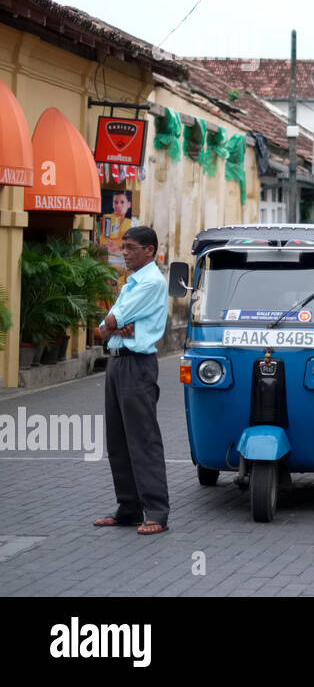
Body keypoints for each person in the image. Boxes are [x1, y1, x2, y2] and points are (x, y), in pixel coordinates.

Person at [93, 225, 170, 535]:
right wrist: (115, 325)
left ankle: (156, 512)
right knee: (118, 440)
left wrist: (116, 325)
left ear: (148, 250)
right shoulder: (131, 283)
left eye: (130, 247)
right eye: (123, 246)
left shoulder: (151, 282)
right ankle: (128, 508)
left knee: (143, 439)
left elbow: (111, 321)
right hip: (117, 363)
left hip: (137, 365)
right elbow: (103, 328)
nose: (123, 252)